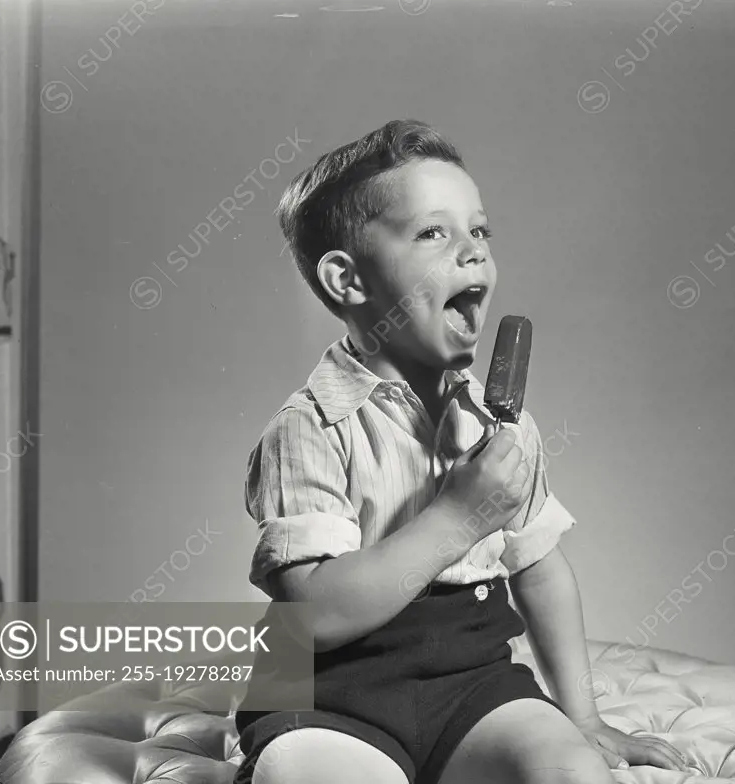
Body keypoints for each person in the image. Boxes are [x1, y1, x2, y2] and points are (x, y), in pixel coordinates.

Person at [233, 119, 689, 784]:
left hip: (471, 683)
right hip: (327, 694)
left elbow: (539, 568)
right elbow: (318, 615)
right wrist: (459, 518)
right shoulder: (310, 430)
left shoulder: (504, 428)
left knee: (571, 773)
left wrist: (582, 719)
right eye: (433, 234)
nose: (473, 253)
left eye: (479, 232)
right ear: (348, 280)